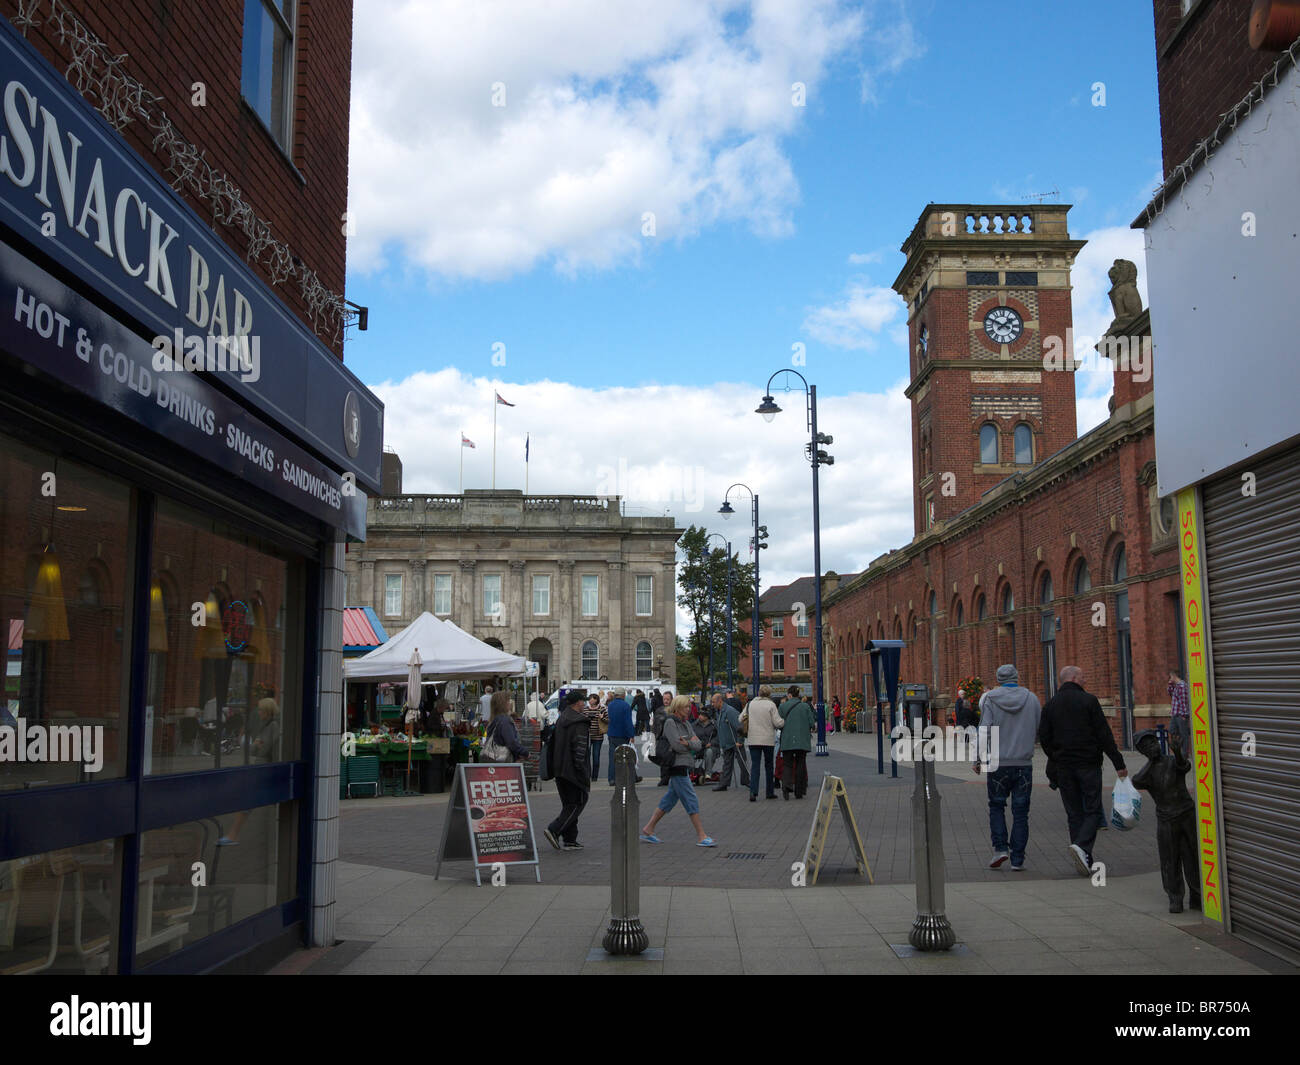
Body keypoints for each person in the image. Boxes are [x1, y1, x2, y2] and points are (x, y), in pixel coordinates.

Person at [1038, 665, 1128, 876]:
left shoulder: (1050, 705)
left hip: (1064, 766)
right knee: (1093, 808)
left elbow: (1044, 737)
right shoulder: (1089, 701)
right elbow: (1103, 734)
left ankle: (1083, 856)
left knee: (1073, 812)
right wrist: (1119, 763)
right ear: (1075, 678)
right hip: (1088, 764)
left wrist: (1055, 755)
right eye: (1083, 676)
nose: (1085, 680)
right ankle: (1082, 847)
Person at [973, 664, 1042, 871]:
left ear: (998, 678)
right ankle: (1018, 859)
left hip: (998, 763)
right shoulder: (1032, 699)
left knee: (996, 806)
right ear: (1017, 676)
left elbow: (984, 730)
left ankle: (1000, 849)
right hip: (1023, 763)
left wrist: (977, 758)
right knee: (1021, 812)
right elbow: (1037, 725)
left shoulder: (990, 699)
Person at [1132, 729, 1200, 913]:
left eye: (1153, 743)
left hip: (1186, 814)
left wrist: (1177, 752)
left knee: (1193, 855)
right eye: (1146, 747)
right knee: (1170, 860)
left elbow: (1184, 766)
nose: (1152, 748)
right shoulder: (1147, 773)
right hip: (1167, 819)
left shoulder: (1171, 761)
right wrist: (1150, 761)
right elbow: (1136, 782)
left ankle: (1198, 895)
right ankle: (1175, 897)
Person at [639, 695, 715, 847]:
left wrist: (687, 743)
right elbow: (677, 746)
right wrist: (689, 744)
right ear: (678, 707)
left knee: (670, 799)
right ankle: (701, 835)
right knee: (690, 798)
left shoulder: (686, 724)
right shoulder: (670, 722)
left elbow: (698, 744)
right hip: (676, 765)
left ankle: (649, 829)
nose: (689, 709)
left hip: (684, 763)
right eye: (686, 707)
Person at [544, 692, 592, 851]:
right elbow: (580, 749)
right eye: (582, 702)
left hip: (559, 769)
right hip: (572, 771)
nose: (584, 704)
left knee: (568, 804)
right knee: (577, 803)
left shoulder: (562, 718)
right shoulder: (580, 722)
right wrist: (583, 772)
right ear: (578, 703)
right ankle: (554, 829)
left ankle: (570, 838)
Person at [740, 685, 784, 802]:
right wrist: (784, 721)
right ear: (769, 694)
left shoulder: (750, 704)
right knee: (769, 765)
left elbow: (740, 718)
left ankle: (753, 792)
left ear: (759, 693)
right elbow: (778, 723)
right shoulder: (771, 705)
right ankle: (769, 792)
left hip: (753, 739)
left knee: (755, 766)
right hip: (768, 740)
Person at [778, 686, 816, 799]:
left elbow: (779, 723)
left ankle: (786, 787)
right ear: (798, 694)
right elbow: (811, 722)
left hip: (787, 740)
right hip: (802, 740)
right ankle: (799, 791)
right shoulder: (805, 706)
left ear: (789, 695)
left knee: (787, 764)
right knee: (800, 764)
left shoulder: (783, 706)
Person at [710, 693, 750, 792]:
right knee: (727, 763)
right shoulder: (718, 712)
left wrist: (740, 740)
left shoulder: (730, 711)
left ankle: (747, 780)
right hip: (727, 743)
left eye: (713, 702)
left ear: (720, 701)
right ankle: (724, 783)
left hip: (735, 741)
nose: (712, 704)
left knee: (742, 762)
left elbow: (739, 726)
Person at [605, 688, 641, 785]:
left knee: (613, 757)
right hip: (622, 735)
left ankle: (612, 779)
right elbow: (628, 722)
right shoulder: (626, 706)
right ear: (623, 695)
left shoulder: (610, 705)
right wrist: (631, 735)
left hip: (612, 734)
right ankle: (631, 776)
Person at [485, 690, 528, 760]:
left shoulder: (493, 719)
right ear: (502, 704)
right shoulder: (504, 720)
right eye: (508, 701)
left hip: (493, 759)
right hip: (503, 760)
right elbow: (511, 743)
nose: (509, 703)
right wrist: (525, 752)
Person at [1167, 669, 1191, 760]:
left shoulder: (1182, 686)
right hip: (1174, 714)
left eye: (1170, 676)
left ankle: (1184, 754)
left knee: (1183, 734)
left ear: (1174, 676)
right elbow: (1170, 694)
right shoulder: (1176, 686)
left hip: (1181, 715)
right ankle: (1178, 751)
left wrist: (1184, 715)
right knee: (1172, 731)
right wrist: (1170, 685)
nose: (1170, 678)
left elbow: (1183, 701)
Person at [583, 693, 607, 781]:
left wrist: (602, 718)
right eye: (589, 699)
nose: (589, 700)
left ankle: (594, 776)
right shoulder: (585, 709)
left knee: (596, 757)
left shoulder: (602, 709)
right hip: (587, 736)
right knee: (586, 757)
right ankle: (587, 775)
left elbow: (608, 720)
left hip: (598, 737)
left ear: (596, 700)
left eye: (591, 699)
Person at [692, 706, 718, 781]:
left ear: (707, 716)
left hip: (711, 747)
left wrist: (712, 743)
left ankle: (708, 773)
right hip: (698, 746)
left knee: (709, 752)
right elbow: (691, 734)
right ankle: (691, 772)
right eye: (699, 714)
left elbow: (719, 736)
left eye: (702, 715)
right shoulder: (694, 725)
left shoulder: (714, 724)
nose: (699, 716)